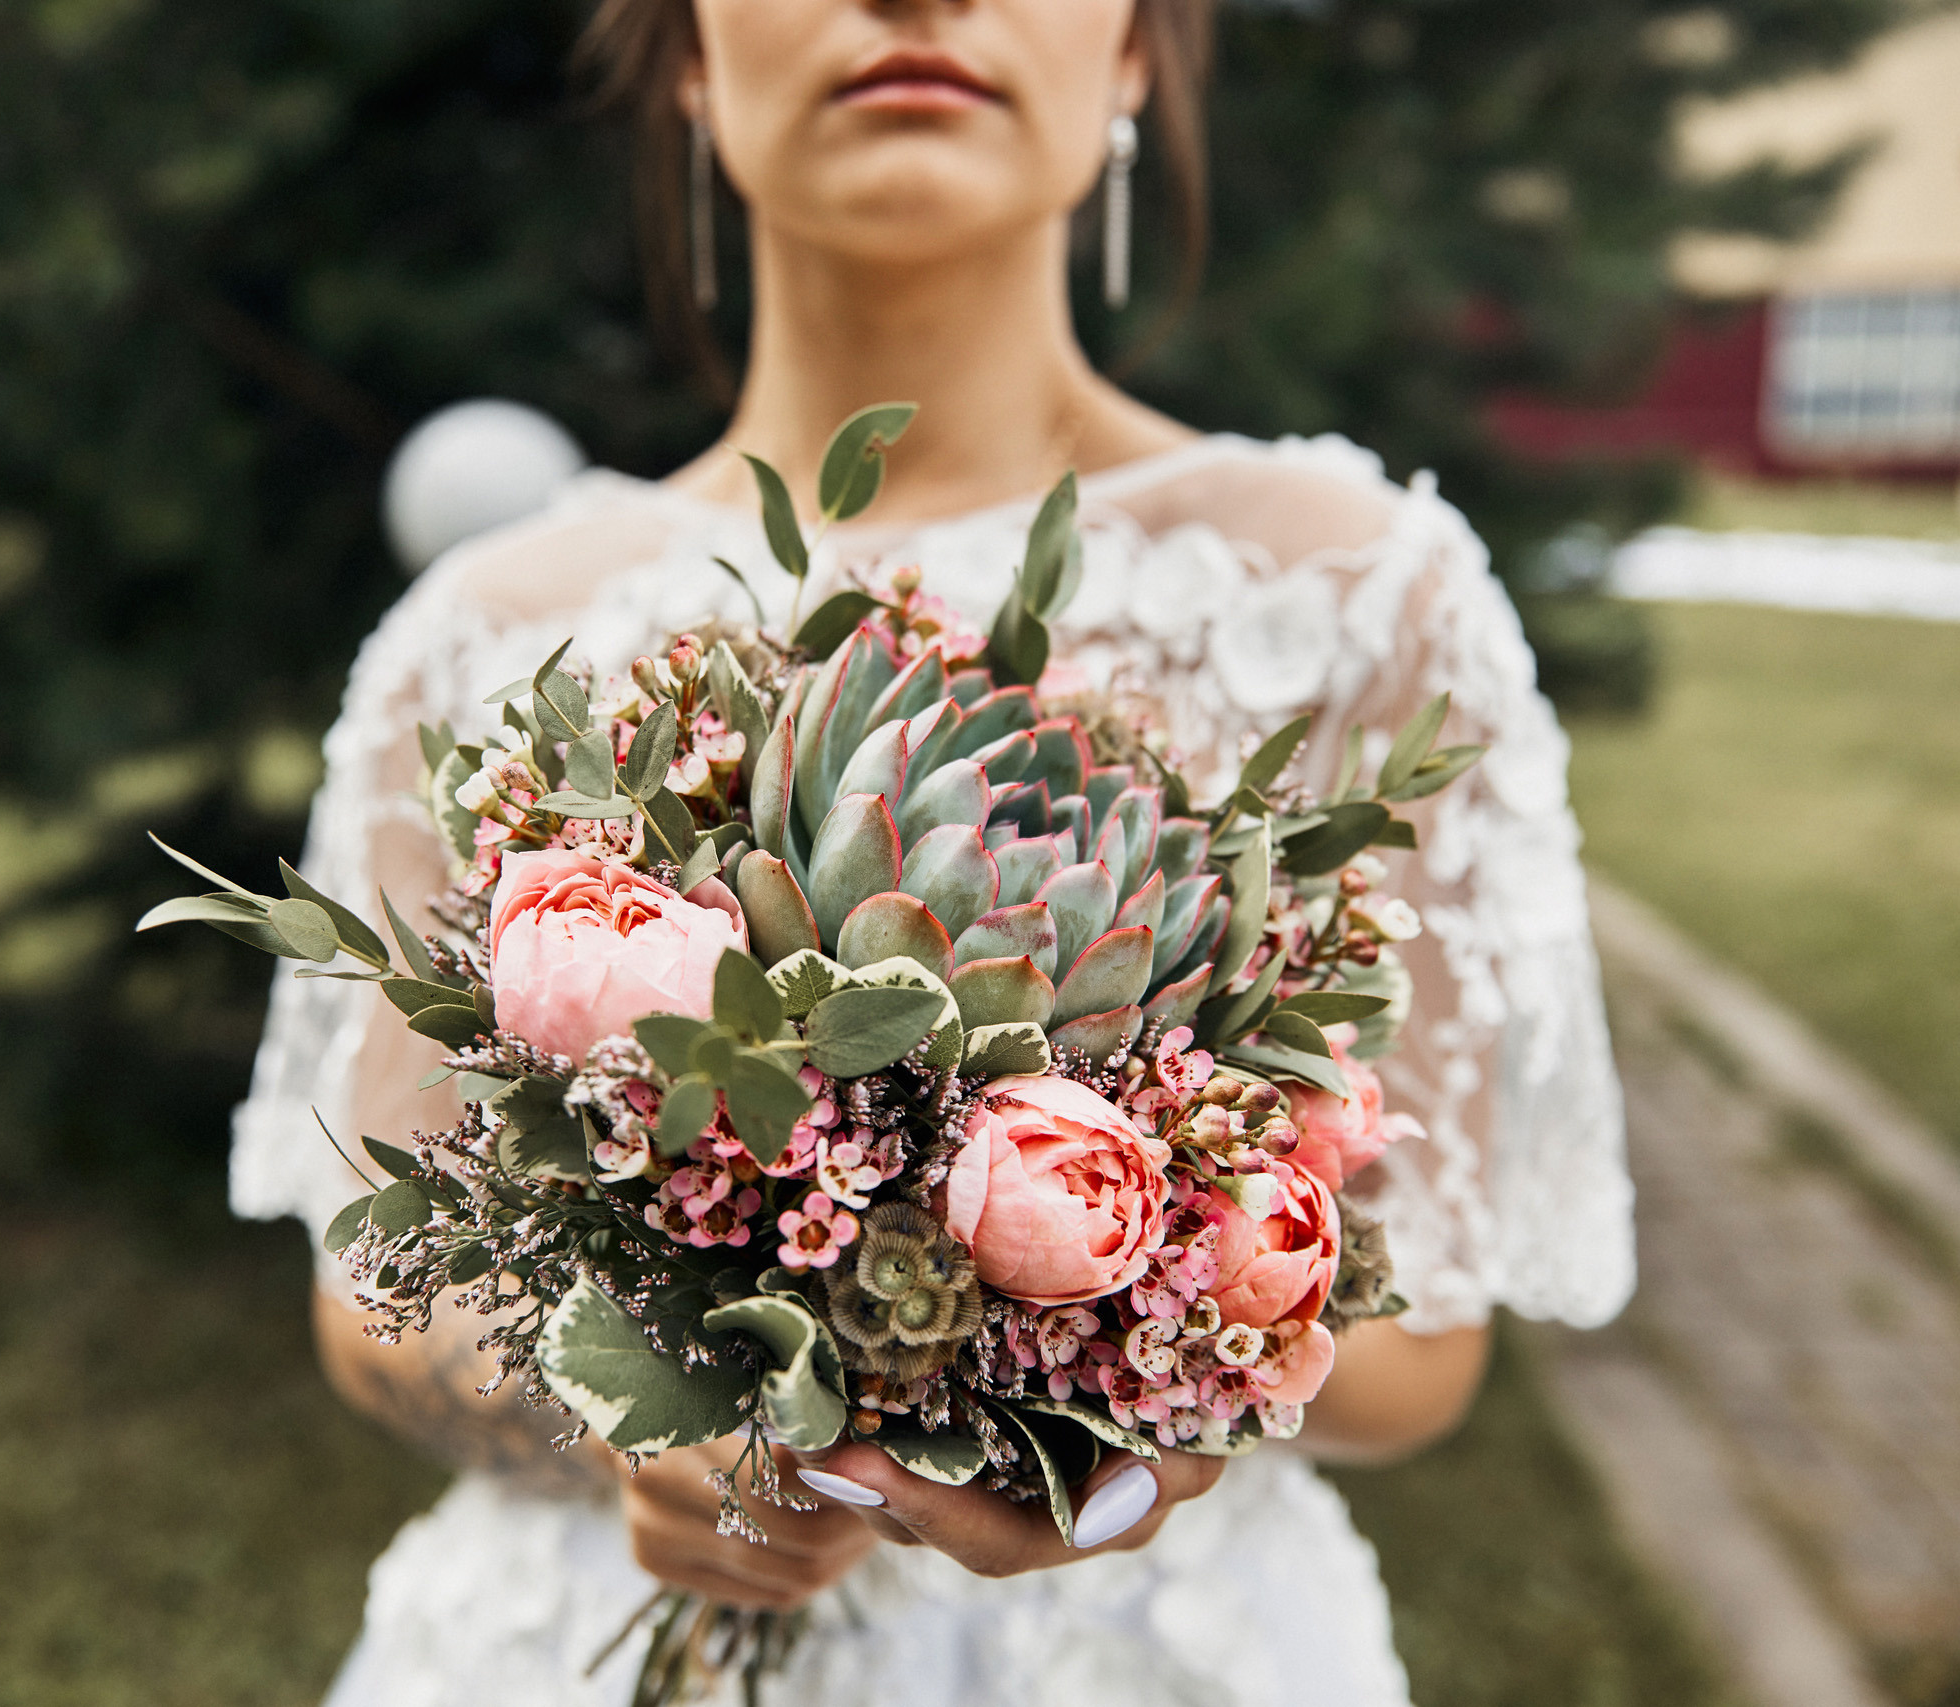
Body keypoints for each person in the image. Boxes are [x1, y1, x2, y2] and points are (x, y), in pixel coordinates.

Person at [231, 1, 1635, 1700]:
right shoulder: (490, 632)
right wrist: (624, 1415)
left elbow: (1426, 1342)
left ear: (1133, 47)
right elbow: (373, 1298)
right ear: (685, 49)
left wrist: (1136, 1396)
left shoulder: (1363, 598)